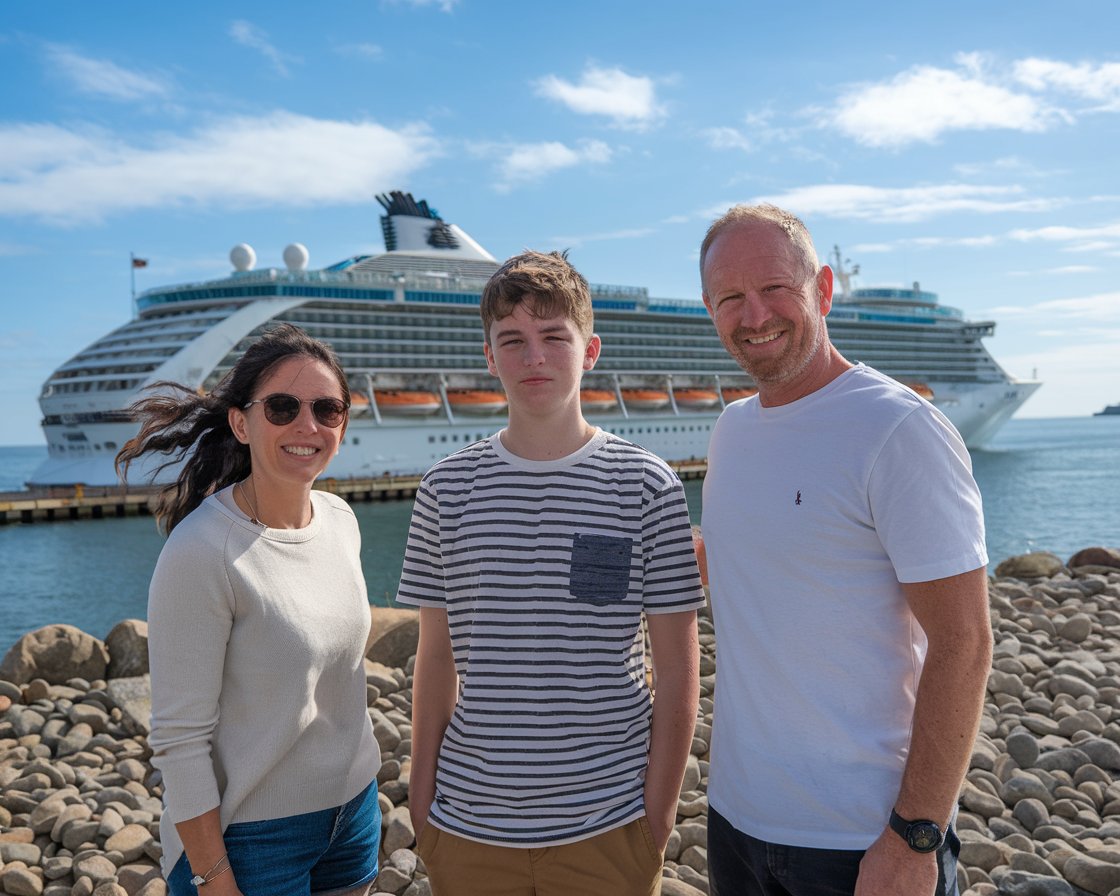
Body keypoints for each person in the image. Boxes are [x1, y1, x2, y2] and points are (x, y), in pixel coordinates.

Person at [698, 205, 992, 896]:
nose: (755, 315)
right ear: (710, 309)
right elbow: (754, 561)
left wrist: (915, 836)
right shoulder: (731, 431)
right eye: (731, 298)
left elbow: (966, 640)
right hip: (735, 821)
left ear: (823, 290)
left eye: (775, 288)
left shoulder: (897, 428)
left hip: (860, 839)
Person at [396, 250, 707, 896]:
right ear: (489, 357)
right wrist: (421, 803)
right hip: (466, 828)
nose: (533, 357)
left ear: (590, 351)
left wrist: (656, 818)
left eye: (552, 338)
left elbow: (679, 669)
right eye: (512, 340)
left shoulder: (648, 486)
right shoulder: (444, 490)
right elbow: (435, 659)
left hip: (611, 828)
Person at [116, 324, 382, 896]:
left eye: (327, 409)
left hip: (353, 810)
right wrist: (212, 876)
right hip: (252, 835)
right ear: (242, 422)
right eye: (283, 407)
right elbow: (180, 741)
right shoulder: (201, 551)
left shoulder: (341, 521)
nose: (307, 426)